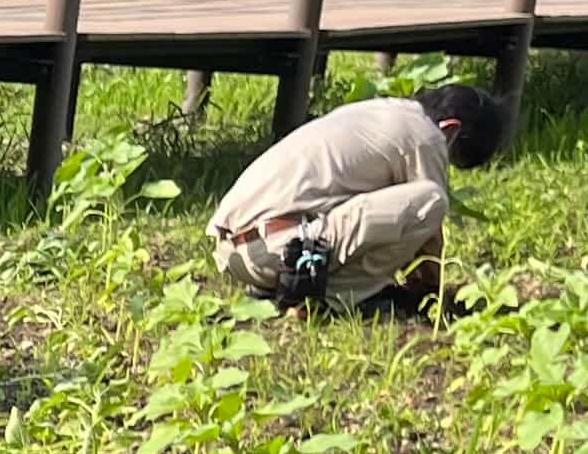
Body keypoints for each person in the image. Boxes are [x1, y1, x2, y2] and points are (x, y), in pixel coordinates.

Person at [205, 81, 507, 313]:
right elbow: (429, 234)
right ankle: (333, 297)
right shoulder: (425, 134)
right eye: (451, 155)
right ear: (450, 129)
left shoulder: (380, 110)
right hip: (277, 252)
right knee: (432, 200)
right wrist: (433, 293)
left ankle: (284, 286)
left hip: (235, 252)